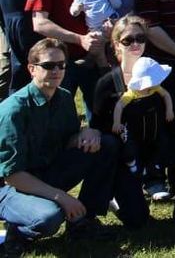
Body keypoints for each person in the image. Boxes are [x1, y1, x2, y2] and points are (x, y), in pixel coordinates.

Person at [0, 39, 117, 252]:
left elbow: (68, 141)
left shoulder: (63, 97)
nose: (56, 71)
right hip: (11, 187)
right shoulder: (13, 110)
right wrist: (61, 197)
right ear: (31, 69)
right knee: (50, 217)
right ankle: (17, 233)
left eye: (61, 65)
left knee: (106, 145)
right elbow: (12, 175)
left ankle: (83, 222)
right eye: (48, 65)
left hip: (46, 173)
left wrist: (87, 133)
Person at [91, 16, 175, 227]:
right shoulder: (107, 83)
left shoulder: (161, 72)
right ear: (116, 44)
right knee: (137, 221)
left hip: (159, 145)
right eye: (128, 40)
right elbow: (98, 124)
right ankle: (117, 197)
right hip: (128, 154)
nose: (135, 44)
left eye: (141, 38)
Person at [111, 56, 175, 174]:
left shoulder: (155, 88)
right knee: (129, 146)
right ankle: (131, 162)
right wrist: (116, 122)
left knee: (163, 143)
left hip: (153, 124)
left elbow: (166, 95)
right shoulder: (132, 93)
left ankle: (155, 164)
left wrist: (169, 110)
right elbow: (119, 105)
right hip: (135, 127)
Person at [0, 0, 40, 92]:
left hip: (8, 27)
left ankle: (14, 97)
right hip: (27, 25)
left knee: (16, 68)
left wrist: (5, 28)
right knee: (34, 65)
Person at [70, 0, 121, 68]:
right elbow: (73, 10)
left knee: (116, 40)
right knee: (96, 43)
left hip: (112, 21)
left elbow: (118, 4)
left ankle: (113, 61)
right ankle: (97, 62)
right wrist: (77, 9)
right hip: (96, 28)